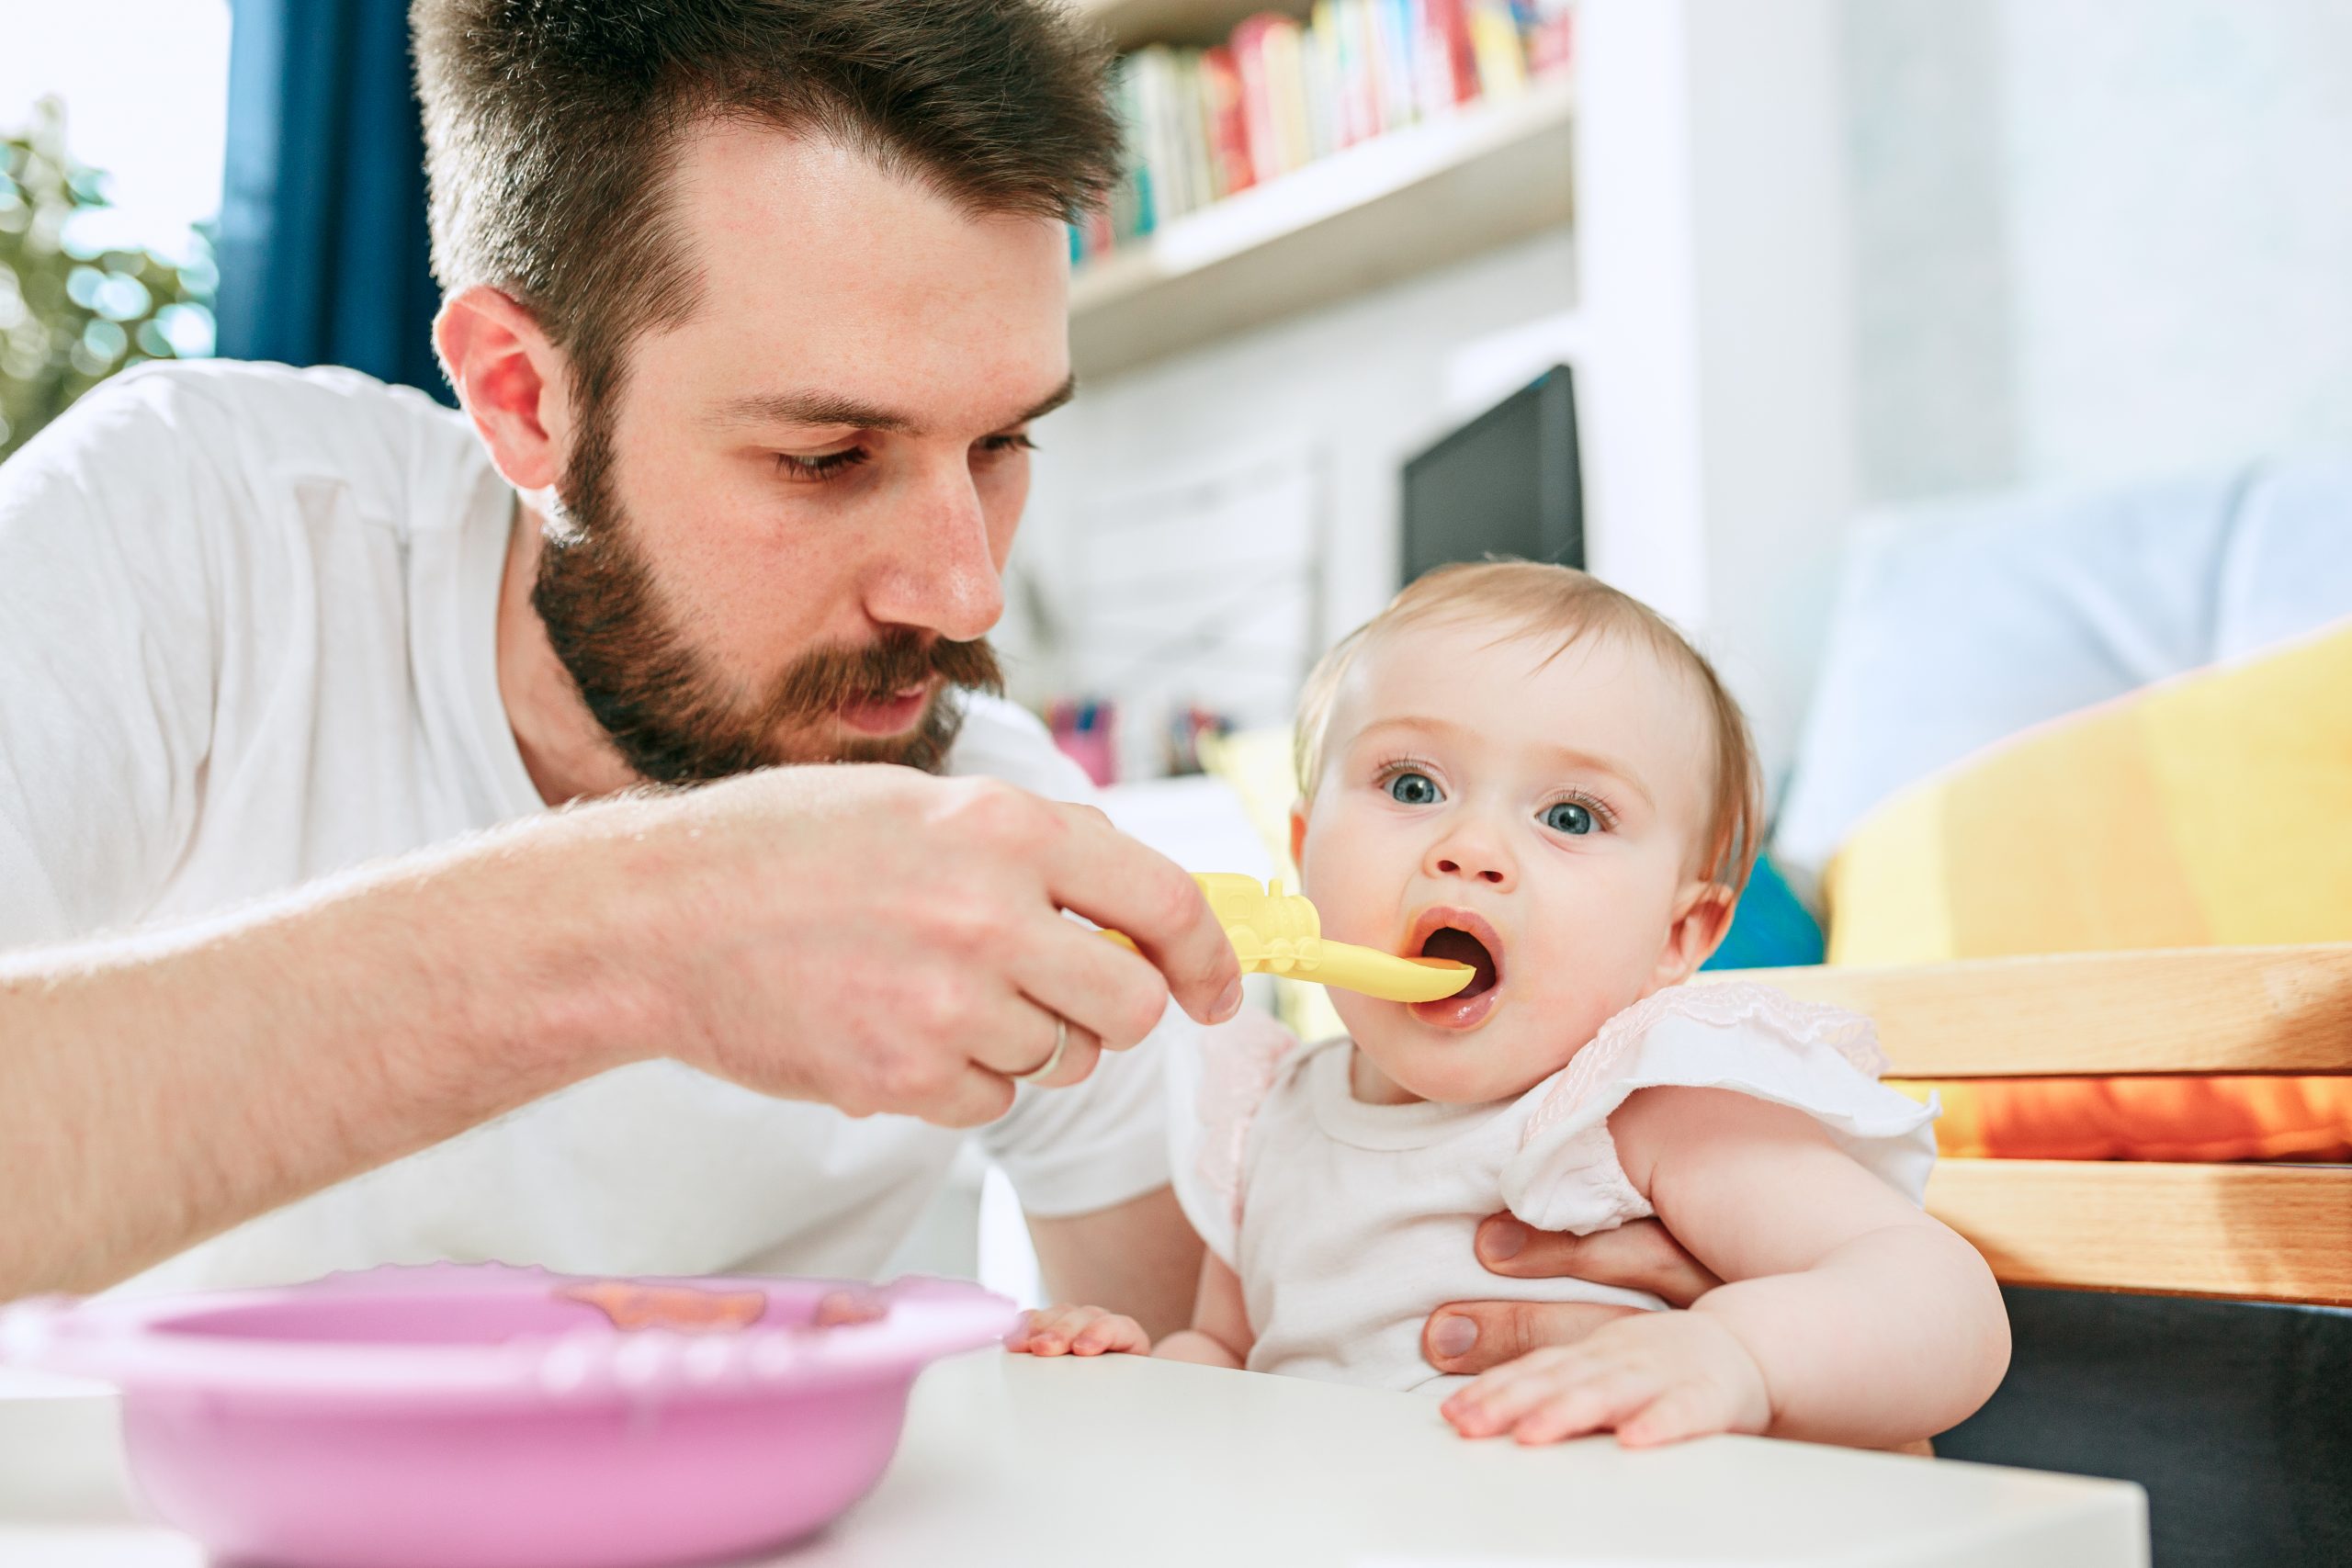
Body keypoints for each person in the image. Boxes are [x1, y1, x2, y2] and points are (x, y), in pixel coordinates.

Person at [0, 3, 1718, 1373]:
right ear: (523, 399)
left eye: (1006, 441)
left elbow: (1196, 1375)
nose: (962, 588)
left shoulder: (1013, 831)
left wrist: (1457, 1288)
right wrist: (644, 932)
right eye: (828, 455)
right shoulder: (201, 535)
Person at [1012, 563, 2012, 1450]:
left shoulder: (1641, 1107)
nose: (1470, 848)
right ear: (1302, 847)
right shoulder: (1261, 1119)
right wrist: (1134, 1374)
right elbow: (1229, 1355)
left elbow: (1942, 1302)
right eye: (1411, 784)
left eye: (1569, 815)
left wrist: (1735, 1357)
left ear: (1679, 937)